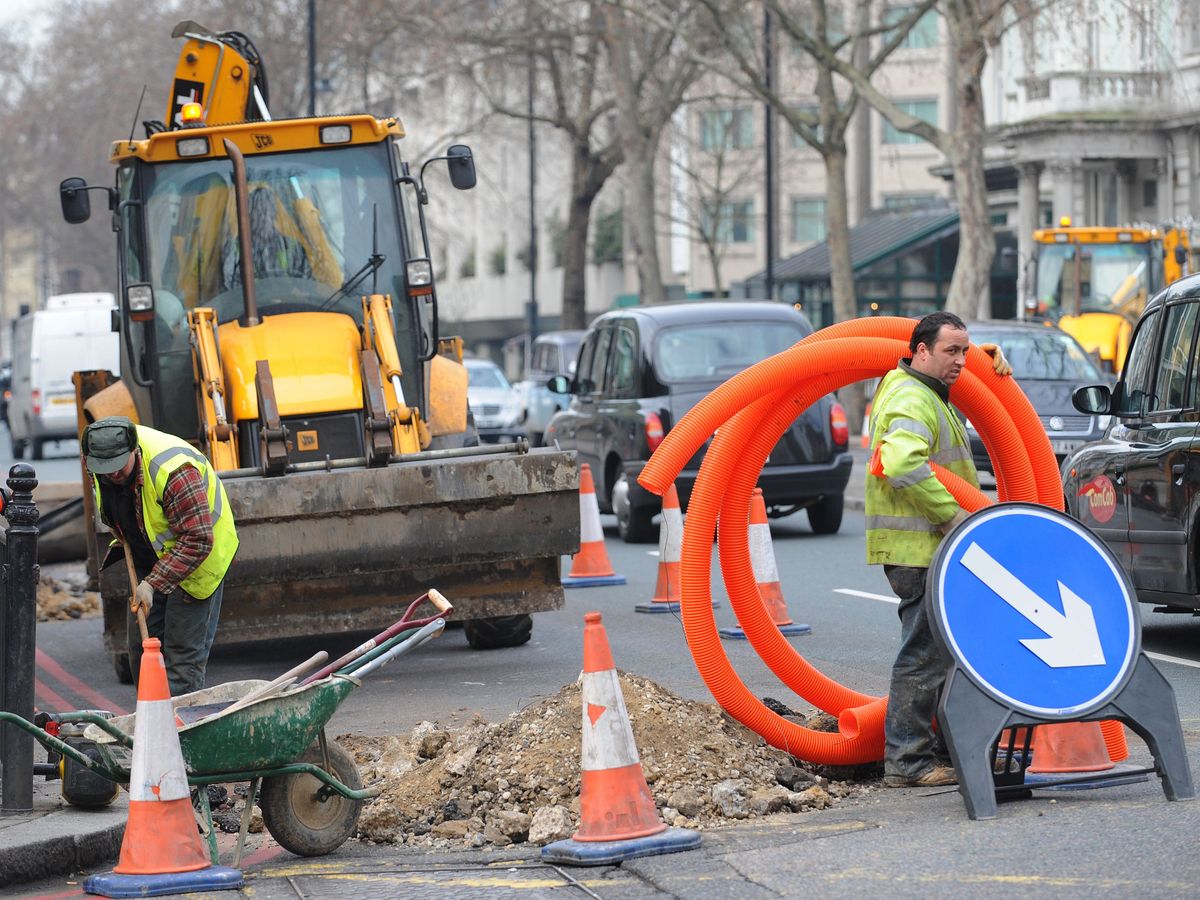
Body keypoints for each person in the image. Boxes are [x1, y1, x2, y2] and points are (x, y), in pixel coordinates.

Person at [865, 311, 1011, 788]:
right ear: (921, 351)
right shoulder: (912, 396)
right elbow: (901, 461)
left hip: (931, 548)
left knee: (952, 654)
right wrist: (953, 517)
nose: (961, 361)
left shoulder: (926, 389)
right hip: (921, 549)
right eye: (951, 351)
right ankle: (908, 763)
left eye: (965, 351)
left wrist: (987, 361)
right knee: (925, 655)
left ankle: (954, 751)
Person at [81, 416, 239, 696]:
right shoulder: (99, 460)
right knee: (141, 652)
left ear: (134, 450)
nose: (111, 474)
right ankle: (151, 725)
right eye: (104, 469)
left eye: (118, 467)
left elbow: (198, 540)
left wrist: (152, 584)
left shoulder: (174, 471)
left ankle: (180, 734)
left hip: (197, 559)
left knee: (181, 658)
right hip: (151, 555)